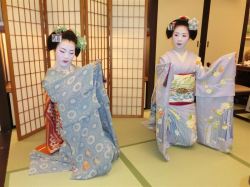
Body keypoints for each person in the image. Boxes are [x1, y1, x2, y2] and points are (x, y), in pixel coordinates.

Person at [29, 26, 119, 179]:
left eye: (71, 52)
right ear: (54, 49)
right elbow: (60, 94)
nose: (66, 56)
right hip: (67, 122)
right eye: (62, 51)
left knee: (106, 149)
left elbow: (83, 84)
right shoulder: (51, 75)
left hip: (84, 117)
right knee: (91, 155)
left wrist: (95, 77)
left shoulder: (76, 69)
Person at [148, 16, 236, 160]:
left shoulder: (195, 58)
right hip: (170, 103)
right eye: (176, 35)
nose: (179, 39)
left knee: (190, 141)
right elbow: (161, 83)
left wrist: (220, 68)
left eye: (184, 35)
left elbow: (203, 77)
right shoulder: (166, 58)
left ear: (189, 37)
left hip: (187, 102)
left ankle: (174, 132)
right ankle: (166, 132)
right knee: (169, 133)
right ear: (171, 36)